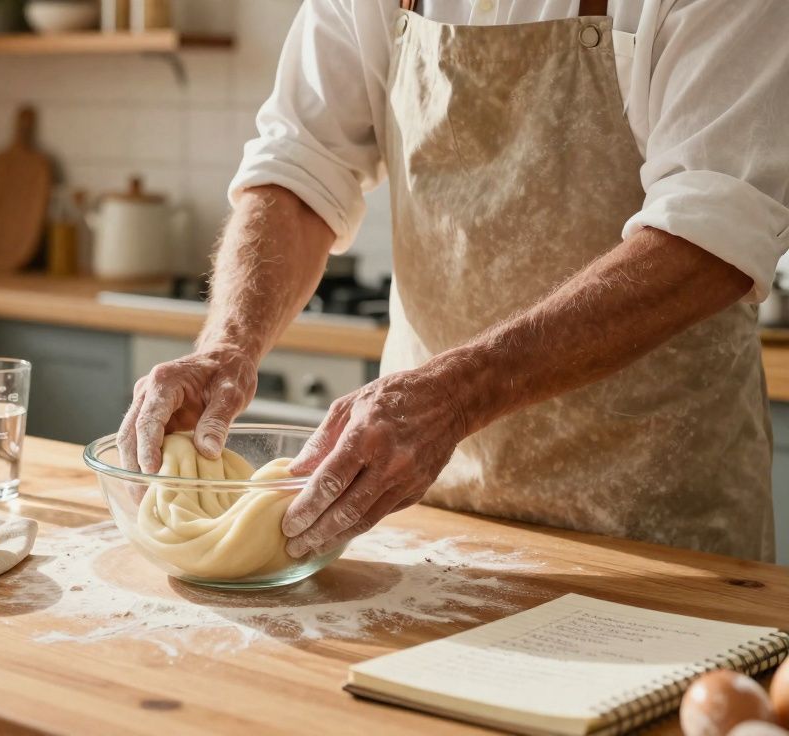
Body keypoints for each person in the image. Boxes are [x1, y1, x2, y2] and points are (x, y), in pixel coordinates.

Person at [118, 0, 789, 561]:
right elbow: (299, 166)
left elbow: (710, 236)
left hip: (655, 530)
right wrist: (228, 346)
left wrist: (460, 391)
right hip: (427, 514)